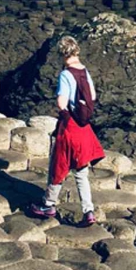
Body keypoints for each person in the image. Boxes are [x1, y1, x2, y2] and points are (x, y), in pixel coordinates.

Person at [27, 36, 103, 226]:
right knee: (81, 171)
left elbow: (62, 102)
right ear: (77, 50)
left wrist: (64, 111)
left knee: (59, 165)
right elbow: (93, 96)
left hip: (70, 127)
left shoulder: (66, 74)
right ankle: (88, 211)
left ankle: (48, 204)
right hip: (84, 127)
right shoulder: (85, 71)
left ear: (62, 53)